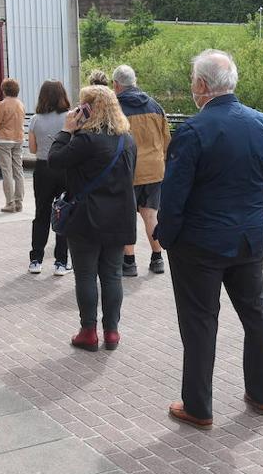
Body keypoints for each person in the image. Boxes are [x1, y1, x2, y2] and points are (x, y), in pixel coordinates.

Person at [157, 50, 263, 430]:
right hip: (247, 239)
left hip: (199, 245)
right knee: (256, 314)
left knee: (200, 322)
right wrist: (258, 223)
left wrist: (167, 237)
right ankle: (261, 395)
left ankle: (198, 406)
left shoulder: (193, 131)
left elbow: (174, 195)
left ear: (201, 85)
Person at [47, 85, 137, 351]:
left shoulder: (86, 141)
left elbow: (54, 160)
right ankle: (112, 332)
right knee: (112, 275)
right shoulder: (127, 140)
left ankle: (88, 332)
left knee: (86, 275)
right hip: (120, 217)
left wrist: (66, 130)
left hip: (87, 218)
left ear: (87, 109)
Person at [113, 64, 171, 277]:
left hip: (128, 170)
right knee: (151, 214)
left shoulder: (116, 108)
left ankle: (129, 262)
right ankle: (157, 258)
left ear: (116, 85)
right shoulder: (155, 106)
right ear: (134, 82)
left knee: (126, 215)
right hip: (155, 169)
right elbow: (167, 140)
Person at [27, 80, 72, 275]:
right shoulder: (70, 117)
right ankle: (61, 262)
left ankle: (36, 259)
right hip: (64, 168)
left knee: (41, 213)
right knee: (63, 212)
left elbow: (32, 149)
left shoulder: (35, 119)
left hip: (43, 168)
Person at [0, 78, 26, 212]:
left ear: (4, 90)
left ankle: (10, 203)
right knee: (18, 171)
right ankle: (19, 202)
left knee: (7, 172)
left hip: (4, 139)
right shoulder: (20, 104)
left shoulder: (2, 105)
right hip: (18, 139)